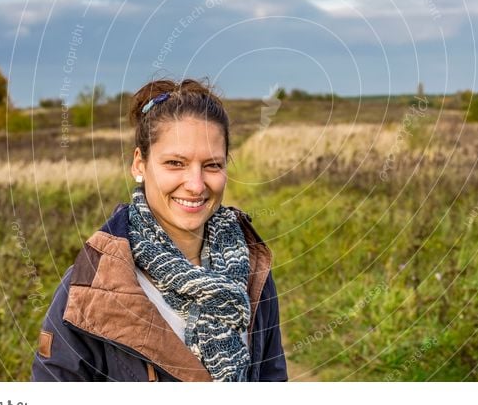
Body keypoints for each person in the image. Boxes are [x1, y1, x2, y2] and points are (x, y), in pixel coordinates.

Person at [31, 78, 288, 382]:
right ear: (139, 164)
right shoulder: (93, 286)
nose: (195, 185)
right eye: (175, 163)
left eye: (212, 165)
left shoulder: (250, 267)